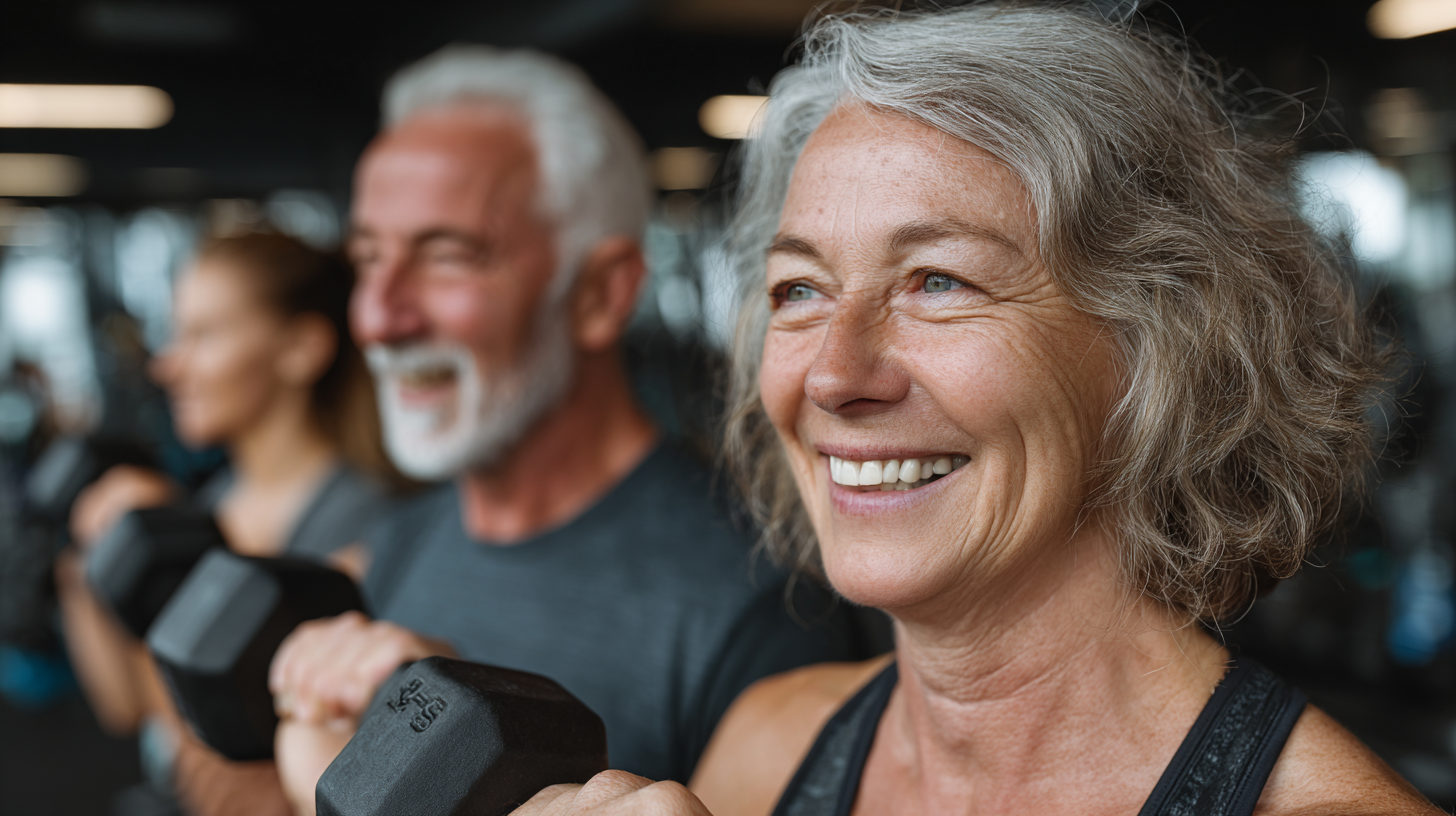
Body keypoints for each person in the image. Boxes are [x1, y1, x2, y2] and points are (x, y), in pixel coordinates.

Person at [508, 5, 1442, 816]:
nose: (835, 375)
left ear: (1160, 340)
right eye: (800, 289)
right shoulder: (768, 745)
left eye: (938, 281)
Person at [267, 45, 875, 815]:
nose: (380, 316)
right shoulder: (399, 542)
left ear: (597, 293)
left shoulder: (754, 603)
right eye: (368, 259)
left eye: (446, 256)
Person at [54, 232, 402, 816]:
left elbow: (246, 769)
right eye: (174, 334)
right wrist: (92, 564)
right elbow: (132, 710)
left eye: (204, 335)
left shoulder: (369, 521)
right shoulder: (204, 508)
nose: (166, 365)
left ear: (301, 347)